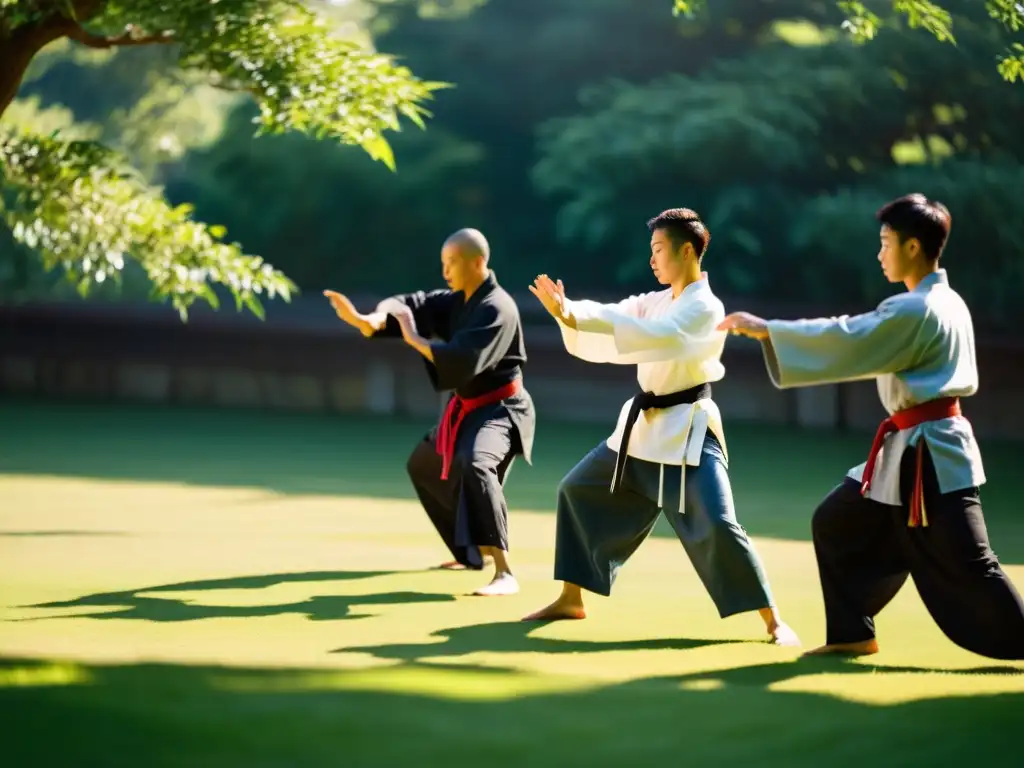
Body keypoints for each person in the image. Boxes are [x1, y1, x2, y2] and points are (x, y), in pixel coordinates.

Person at [719, 193, 1024, 659]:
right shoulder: (946, 302)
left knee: (972, 562)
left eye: (886, 243)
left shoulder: (916, 309)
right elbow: (856, 333)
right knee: (838, 522)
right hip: (914, 450)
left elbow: (849, 335)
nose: (880, 253)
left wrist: (770, 329)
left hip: (931, 457)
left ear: (915, 247)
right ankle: (851, 634)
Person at [522, 208, 799, 647]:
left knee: (721, 524)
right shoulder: (658, 300)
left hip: (687, 432)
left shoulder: (704, 307)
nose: (651, 259)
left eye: (658, 249)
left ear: (687, 250)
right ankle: (571, 598)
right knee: (576, 490)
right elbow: (619, 313)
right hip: (641, 431)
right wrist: (569, 311)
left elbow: (659, 335)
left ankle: (773, 620)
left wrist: (576, 317)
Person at [323, 228, 535, 597]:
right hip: (467, 407)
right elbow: (410, 305)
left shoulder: (497, 308)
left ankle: (504, 572)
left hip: (501, 410)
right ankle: (469, 553)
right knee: (423, 464)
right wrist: (371, 319)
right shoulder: (456, 301)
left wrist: (417, 341)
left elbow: (464, 360)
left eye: (451, 263)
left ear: (478, 262)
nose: (445, 272)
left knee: (476, 463)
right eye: (443, 264)